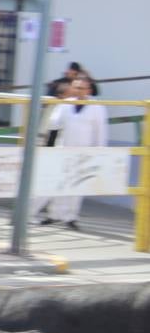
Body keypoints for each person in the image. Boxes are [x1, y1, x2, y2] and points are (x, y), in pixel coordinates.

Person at [36, 75, 107, 230]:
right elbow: (54, 125)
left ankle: (71, 217)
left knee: (77, 186)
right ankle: (53, 215)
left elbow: (100, 132)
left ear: (88, 90)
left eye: (81, 88)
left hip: (85, 152)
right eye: (75, 87)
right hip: (64, 150)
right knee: (56, 183)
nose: (76, 91)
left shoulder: (97, 107)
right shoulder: (66, 105)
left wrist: (100, 154)